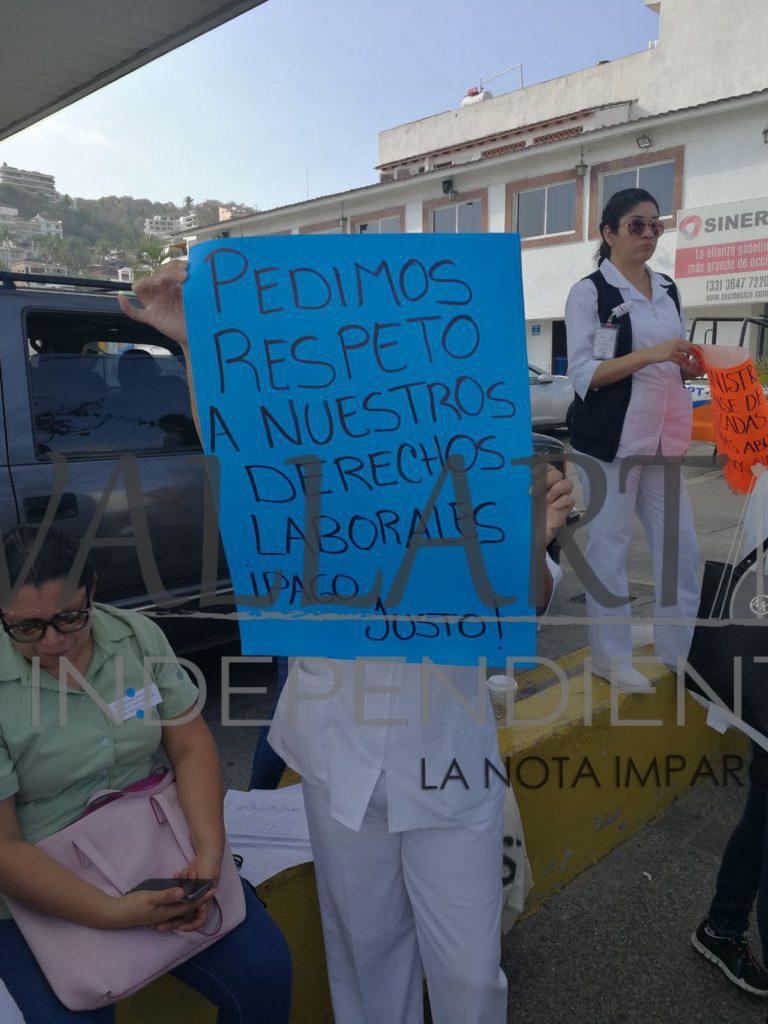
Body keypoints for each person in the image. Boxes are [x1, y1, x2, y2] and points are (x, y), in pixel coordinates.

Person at [120, 260, 574, 1024]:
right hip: (339, 760)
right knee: (366, 960)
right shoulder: (317, 465)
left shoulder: (485, 465)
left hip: (450, 763)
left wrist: (532, 532)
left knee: (469, 976)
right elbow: (236, 444)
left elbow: (521, 610)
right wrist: (196, 341)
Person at [0, 526, 292, 1024]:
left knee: (264, 971)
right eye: (27, 628)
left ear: (92, 589)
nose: (53, 641)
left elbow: (191, 745)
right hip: (41, 883)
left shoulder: (135, 636)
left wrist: (207, 855)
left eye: (70, 618)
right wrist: (111, 912)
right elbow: (5, 847)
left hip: (154, 848)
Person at [565, 187, 703, 691]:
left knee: (681, 548)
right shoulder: (590, 293)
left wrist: (686, 364)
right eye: (636, 226)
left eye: (655, 225)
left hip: (664, 437)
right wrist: (654, 353)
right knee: (610, 547)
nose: (649, 234)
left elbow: (671, 360)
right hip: (612, 441)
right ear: (609, 233)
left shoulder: (667, 288)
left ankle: (678, 647)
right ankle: (611, 657)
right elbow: (584, 372)